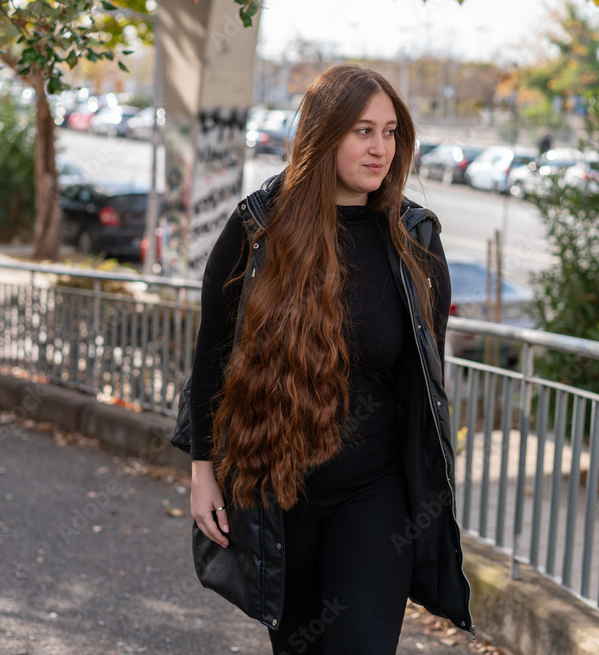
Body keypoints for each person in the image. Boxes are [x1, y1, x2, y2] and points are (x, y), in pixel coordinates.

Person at [188, 64, 474, 654]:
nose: (381, 149)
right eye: (362, 131)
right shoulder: (259, 227)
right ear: (324, 135)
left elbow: (424, 382)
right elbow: (212, 357)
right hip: (278, 490)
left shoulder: (416, 239)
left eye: (390, 132)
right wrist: (201, 471)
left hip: (375, 493)